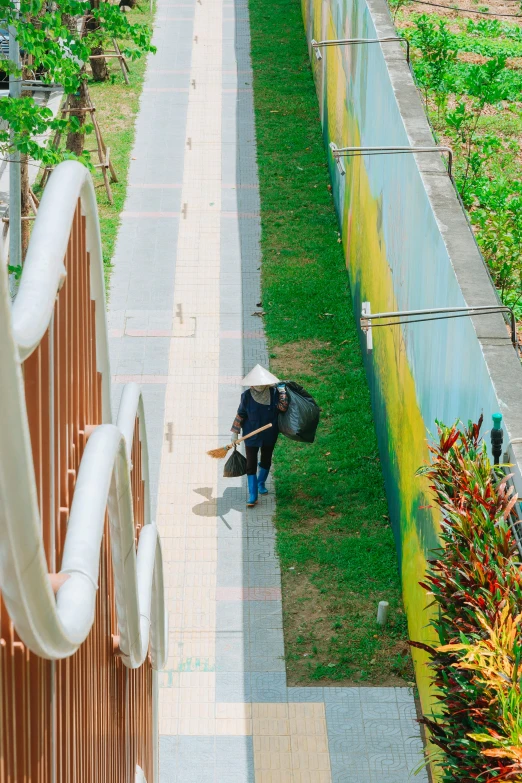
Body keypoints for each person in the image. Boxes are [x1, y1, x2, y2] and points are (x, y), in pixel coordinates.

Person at [231, 364, 289, 507]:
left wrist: (282, 392)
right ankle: (253, 494)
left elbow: (283, 408)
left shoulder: (274, 393)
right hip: (251, 435)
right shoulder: (246, 397)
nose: (256, 386)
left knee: (266, 460)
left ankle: (261, 482)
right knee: (250, 464)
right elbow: (241, 414)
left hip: (269, 433)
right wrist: (235, 433)